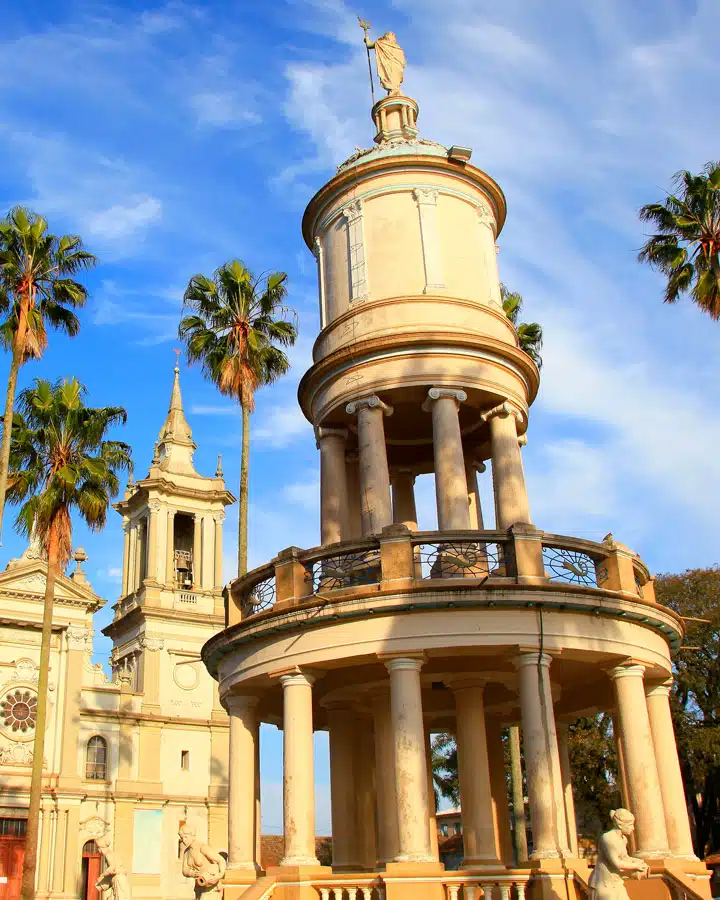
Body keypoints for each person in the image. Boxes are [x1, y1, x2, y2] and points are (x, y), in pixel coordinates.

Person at [589, 809, 649, 900]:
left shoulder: (623, 839)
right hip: (604, 883)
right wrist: (636, 866)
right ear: (620, 824)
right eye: (630, 825)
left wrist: (639, 862)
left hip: (616, 882)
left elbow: (624, 857)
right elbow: (617, 864)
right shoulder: (608, 838)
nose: (633, 828)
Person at [179, 821, 227, 898]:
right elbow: (184, 870)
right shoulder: (186, 852)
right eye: (182, 838)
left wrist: (219, 875)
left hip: (210, 886)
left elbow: (220, 860)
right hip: (199, 886)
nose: (184, 840)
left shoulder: (203, 848)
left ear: (193, 836)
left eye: (186, 837)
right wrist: (192, 873)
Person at [95, 834, 132, 900]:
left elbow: (112, 867)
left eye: (97, 847)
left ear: (100, 847)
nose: (98, 850)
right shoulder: (112, 853)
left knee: (119, 897)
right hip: (120, 877)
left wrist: (103, 874)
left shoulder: (107, 854)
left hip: (118, 879)